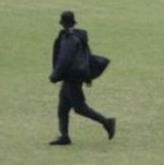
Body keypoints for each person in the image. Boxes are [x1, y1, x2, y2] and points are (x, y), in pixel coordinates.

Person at [48, 11, 115, 145]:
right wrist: (87, 77)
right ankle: (64, 136)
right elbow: (85, 57)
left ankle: (107, 122)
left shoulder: (68, 39)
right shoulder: (79, 36)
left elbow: (64, 59)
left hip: (72, 78)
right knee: (63, 107)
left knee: (79, 108)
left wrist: (54, 75)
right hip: (74, 78)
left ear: (63, 23)